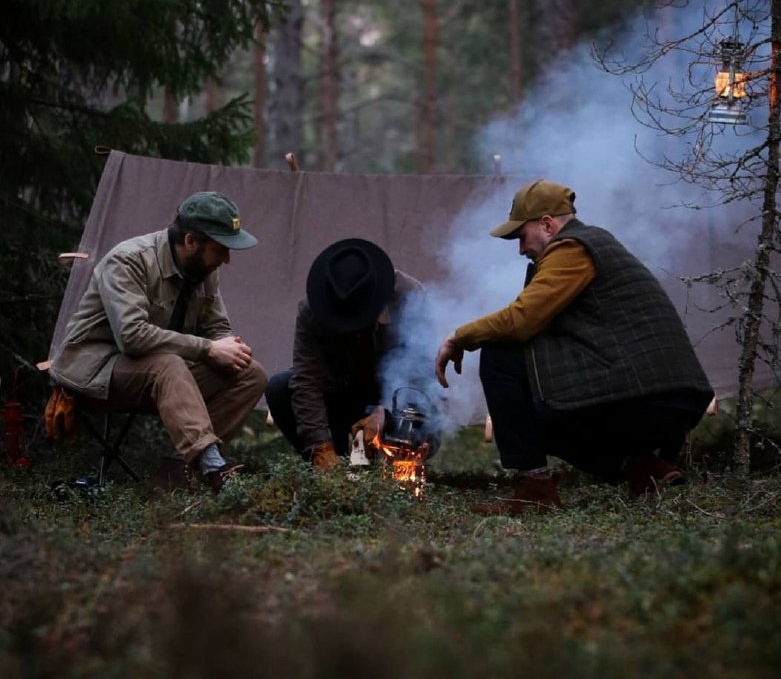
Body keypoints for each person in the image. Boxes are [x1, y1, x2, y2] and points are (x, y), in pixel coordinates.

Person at [435, 179, 714, 513]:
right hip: (669, 397)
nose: (520, 249)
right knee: (538, 400)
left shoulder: (572, 248)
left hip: (652, 399)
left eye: (521, 237)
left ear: (548, 224)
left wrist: (458, 336)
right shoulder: (594, 243)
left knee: (501, 354)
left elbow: (521, 320)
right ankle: (642, 467)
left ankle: (536, 488)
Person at [49, 191, 267, 492]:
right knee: (168, 364)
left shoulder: (204, 268)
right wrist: (208, 349)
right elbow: (132, 337)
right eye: (221, 249)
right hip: (95, 373)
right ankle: (215, 468)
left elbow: (216, 324)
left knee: (251, 373)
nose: (227, 259)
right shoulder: (129, 260)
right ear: (191, 241)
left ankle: (175, 476)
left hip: (162, 376)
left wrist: (228, 346)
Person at [264, 238, 424, 469]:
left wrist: (386, 413)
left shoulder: (410, 299)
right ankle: (335, 465)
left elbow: (423, 376)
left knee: (417, 415)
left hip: (396, 405)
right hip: (342, 396)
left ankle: (392, 464)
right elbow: (307, 380)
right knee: (280, 387)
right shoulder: (312, 310)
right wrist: (319, 446)